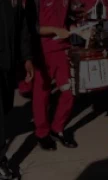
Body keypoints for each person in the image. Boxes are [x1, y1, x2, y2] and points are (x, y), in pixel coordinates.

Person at [31, 0, 80, 151]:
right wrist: (55, 30)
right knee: (42, 95)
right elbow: (33, 27)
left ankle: (57, 128)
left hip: (62, 51)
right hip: (42, 51)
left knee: (69, 91)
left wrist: (74, 27)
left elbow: (68, 19)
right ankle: (42, 133)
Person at [0, 0, 34, 178]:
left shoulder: (17, 4)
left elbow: (22, 31)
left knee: (6, 108)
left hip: (8, 66)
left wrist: (27, 59)